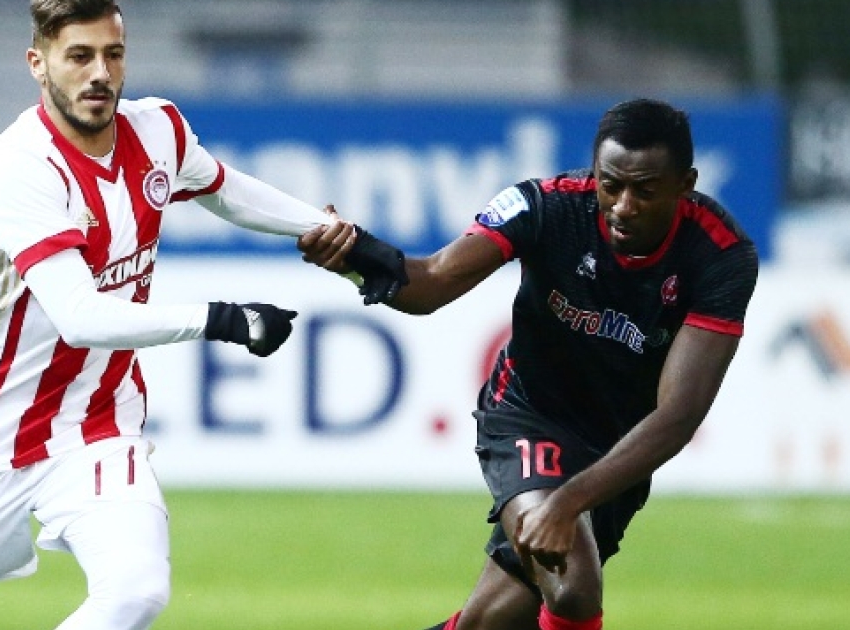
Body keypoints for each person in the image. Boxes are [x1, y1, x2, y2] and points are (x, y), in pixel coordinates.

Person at [0, 1, 399, 629]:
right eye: (79, 56)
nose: (100, 73)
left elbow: (226, 189)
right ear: (38, 64)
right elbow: (80, 316)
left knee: (136, 591)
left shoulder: (158, 130)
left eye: (112, 54)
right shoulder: (20, 166)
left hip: (98, 422)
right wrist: (221, 318)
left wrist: (340, 235)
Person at [298, 98, 759, 630]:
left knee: (490, 624)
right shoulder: (545, 206)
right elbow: (432, 282)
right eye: (610, 185)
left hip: (619, 450)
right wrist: (353, 255)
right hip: (529, 414)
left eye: (646, 191)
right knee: (573, 590)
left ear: (686, 184)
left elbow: (679, 414)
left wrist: (568, 502)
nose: (623, 206)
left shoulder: (721, 255)